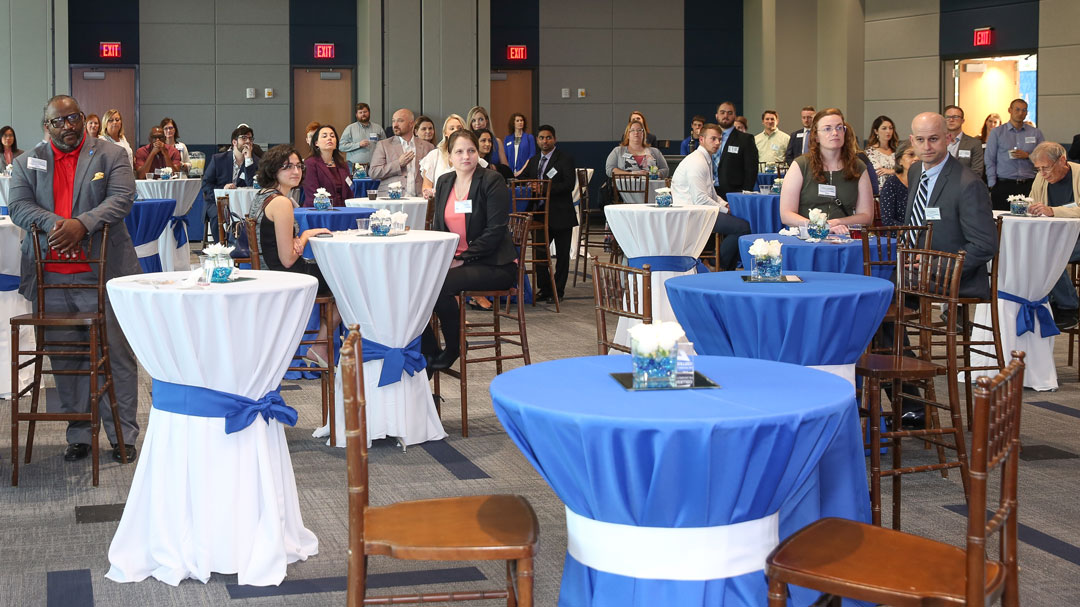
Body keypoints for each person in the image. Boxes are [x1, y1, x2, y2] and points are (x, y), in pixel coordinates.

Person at [8, 95, 141, 463]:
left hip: (104, 273)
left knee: (116, 355)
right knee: (67, 359)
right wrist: (59, 226)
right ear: (46, 126)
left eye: (74, 118)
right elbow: (18, 206)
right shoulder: (26, 162)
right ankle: (79, 433)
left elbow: (122, 198)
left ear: (83, 119)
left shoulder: (111, 155)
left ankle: (122, 435)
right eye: (59, 121)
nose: (69, 126)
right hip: (50, 277)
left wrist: (82, 224)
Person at [422, 130, 519, 371]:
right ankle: (430, 352)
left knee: (440, 285)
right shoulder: (444, 182)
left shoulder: (491, 180)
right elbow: (438, 228)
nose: (466, 156)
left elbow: (495, 231)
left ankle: (454, 348)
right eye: (459, 151)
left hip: (495, 264)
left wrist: (461, 259)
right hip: (458, 263)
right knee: (417, 284)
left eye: (471, 151)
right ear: (450, 156)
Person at [247, 145, 339, 364]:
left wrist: (299, 239)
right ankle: (318, 347)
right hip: (283, 274)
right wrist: (305, 235)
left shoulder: (262, 196)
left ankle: (318, 348)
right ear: (273, 170)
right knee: (347, 283)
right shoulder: (281, 202)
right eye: (287, 167)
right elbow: (288, 258)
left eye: (298, 166)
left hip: (268, 270)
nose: (295, 172)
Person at [904, 112, 997, 299]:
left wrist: (935, 265)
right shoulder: (915, 170)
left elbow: (985, 245)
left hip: (950, 275)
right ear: (912, 141)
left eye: (933, 139)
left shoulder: (969, 183)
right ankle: (900, 329)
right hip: (912, 265)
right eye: (920, 140)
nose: (927, 147)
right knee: (866, 276)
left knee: (878, 286)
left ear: (948, 138)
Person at [670, 123, 751, 270]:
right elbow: (700, 199)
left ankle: (724, 267)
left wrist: (725, 204)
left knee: (740, 223)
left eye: (719, 139)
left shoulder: (705, 158)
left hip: (701, 210)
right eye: (713, 139)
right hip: (692, 213)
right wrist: (726, 210)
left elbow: (711, 193)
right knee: (742, 227)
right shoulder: (697, 161)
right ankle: (716, 265)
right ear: (701, 139)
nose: (717, 143)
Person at [779, 108, 874, 232]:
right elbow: (786, 215)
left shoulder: (858, 166)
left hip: (845, 238)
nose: (835, 133)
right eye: (827, 128)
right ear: (816, 136)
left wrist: (838, 222)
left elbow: (867, 217)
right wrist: (820, 227)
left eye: (839, 128)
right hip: (808, 238)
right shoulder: (800, 165)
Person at [1026, 142, 1080, 329]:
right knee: (1031, 250)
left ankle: (1069, 307)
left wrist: (1052, 211)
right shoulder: (1041, 179)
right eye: (1038, 169)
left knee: (1050, 253)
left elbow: (1054, 211)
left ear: (1062, 161)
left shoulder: (1078, 174)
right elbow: (1032, 200)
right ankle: (1048, 301)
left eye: (1046, 168)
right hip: (1054, 236)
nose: (1043, 173)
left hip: (1076, 238)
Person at [520, 125, 577, 303]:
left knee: (561, 256)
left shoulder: (565, 159)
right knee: (539, 255)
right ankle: (545, 289)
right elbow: (524, 179)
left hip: (561, 214)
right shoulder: (534, 159)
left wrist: (545, 187)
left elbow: (569, 184)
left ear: (555, 139)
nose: (545, 141)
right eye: (542, 138)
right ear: (537, 140)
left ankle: (557, 291)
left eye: (548, 137)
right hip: (539, 215)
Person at [199, 124, 259, 241]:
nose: (248, 141)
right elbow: (206, 184)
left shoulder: (255, 161)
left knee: (251, 216)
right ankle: (220, 247)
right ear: (234, 142)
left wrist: (248, 160)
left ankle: (242, 248)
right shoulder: (218, 159)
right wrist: (222, 191)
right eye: (244, 138)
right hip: (219, 202)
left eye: (250, 139)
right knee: (218, 215)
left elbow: (252, 184)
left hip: (243, 203)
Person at [986, 99, 1044, 210]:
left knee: (1030, 217)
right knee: (1002, 220)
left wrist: (1028, 156)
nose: (1020, 113)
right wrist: (992, 184)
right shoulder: (997, 132)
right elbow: (990, 159)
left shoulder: (1035, 133)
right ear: (1010, 110)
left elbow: (1043, 157)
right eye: (1017, 109)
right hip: (1004, 184)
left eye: (1024, 110)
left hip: (1029, 184)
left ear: (1027, 113)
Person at [368, 108, 434, 197]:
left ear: (411, 124)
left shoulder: (428, 147)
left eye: (400, 121)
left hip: (419, 199)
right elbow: (373, 172)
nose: (395, 125)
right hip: (391, 199)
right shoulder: (384, 145)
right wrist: (398, 164)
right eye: (393, 121)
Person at [421, 114, 489, 196]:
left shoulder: (472, 156)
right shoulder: (434, 155)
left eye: (459, 128)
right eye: (452, 128)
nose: (456, 131)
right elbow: (426, 188)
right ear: (445, 133)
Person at [604, 121, 669, 203]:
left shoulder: (655, 151)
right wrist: (632, 174)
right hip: (625, 196)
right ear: (627, 134)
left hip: (652, 195)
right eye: (632, 130)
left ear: (643, 134)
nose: (636, 133)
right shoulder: (618, 151)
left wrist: (653, 174)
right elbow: (610, 170)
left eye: (639, 130)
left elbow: (665, 170)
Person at [712, 101, 759, 196]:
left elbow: (751, 170)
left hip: (734, 193)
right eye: (722, 112)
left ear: (734, 116)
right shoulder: (708, 137)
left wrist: (745, 193)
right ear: (716, 116)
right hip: (709, 191)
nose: (726, 115)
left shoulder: (745, 139)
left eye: (730, 113)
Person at [302, 125, 351, 207]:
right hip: (319, 211)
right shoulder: (310, 163)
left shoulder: (342, 164)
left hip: (343, 210)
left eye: (332, 136)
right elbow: (312, 194)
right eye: (324, 136)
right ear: (316, 143)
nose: (329, 138)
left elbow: (349, 191)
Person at [878, 143, 917, 226]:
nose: (917, 158)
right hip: (897, 235)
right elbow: (888, 221)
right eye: (911, 155)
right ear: (899, 161)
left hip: (924, 235)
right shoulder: (891, 184)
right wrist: (912, 233)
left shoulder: (926, 182)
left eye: (919, 155)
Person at [943, 105, 984, 179]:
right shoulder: (937, 142)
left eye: (955, 117)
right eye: (948, 117)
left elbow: (977, 171)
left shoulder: (974, 143)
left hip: (964, 185)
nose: (951, 120)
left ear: (963, 120)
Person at [339, 102, 384, 167]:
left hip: (375, 166)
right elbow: (342, 147)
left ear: (369, 112)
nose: (363, 114)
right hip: (355, 167)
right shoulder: (350, 128)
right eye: (360, 112)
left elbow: (385, 146)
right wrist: (358, 144)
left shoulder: (378, 128)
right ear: (356, 115)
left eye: (365, 112)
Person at [864, 115, 899, 190]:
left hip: (898, 189)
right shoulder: (870, 152)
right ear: (876, 131)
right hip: (880, 192)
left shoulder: (897, 151)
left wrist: (890, 171)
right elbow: (878, 172)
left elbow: (905, 170)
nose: (888, 131)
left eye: (890, 128)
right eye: (884, 128)